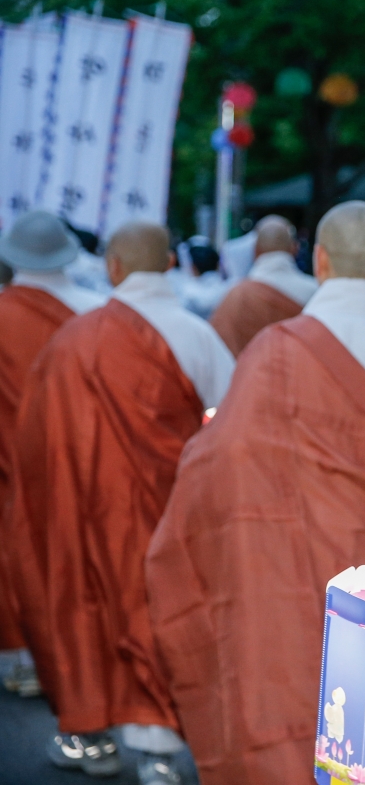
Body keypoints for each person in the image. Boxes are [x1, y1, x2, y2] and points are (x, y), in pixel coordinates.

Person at [145, 201, 365, 785]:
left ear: (322, 261)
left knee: (286, 718)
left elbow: (216, 466)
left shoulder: (269, 351)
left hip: (279, 573)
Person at [4, 220, 233, 785]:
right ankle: (161, 752)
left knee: (87, 610)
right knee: (161, 614)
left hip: (84, 508)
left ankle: (91, 738)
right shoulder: (196, 334)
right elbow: (231, 428)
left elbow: (36, 437)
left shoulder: (75, 338)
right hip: (171, 510)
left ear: (112, 267)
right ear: (171, 265)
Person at [0, 211, 107, 699]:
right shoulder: (98, 311)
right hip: (85, 457)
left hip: (12, 458)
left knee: (14, 549)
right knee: (83, 554)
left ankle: (23, 659)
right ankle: (86, 656)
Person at [209, 215, 318, 356]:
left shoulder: (236, 296)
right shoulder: (315, 292)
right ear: (294, 249)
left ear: (255, 251)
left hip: (247, 377)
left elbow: (217, 351)